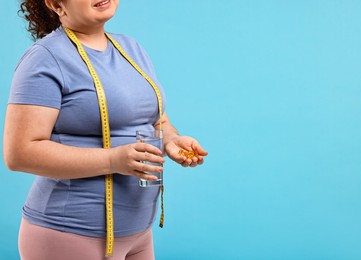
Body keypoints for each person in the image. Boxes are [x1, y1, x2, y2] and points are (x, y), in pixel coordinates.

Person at [3, 0, 208, 259]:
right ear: (57, 4)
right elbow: (19, 153)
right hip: (69, 234)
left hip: (138, 233)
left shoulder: (130, 48)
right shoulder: (45, 58)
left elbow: (157, 121)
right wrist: (113, 159)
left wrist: (171, 139)